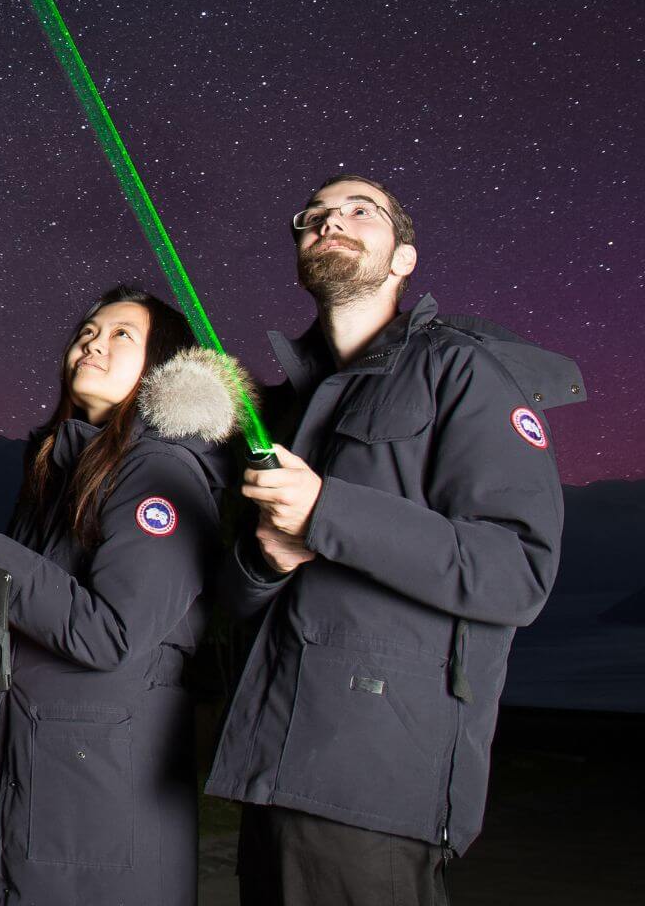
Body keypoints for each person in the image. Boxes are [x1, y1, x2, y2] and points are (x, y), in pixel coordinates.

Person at [205, 175, 581, 906]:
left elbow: (516, 572)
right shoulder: (281, 408)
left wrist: (326, 510)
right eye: (313, 216)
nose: (328, 220)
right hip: (271, 769)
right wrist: (264, 560)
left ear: (403, 259)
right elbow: (236, 596)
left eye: (358, 210)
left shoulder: (464, 370)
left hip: (375, 780)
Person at [0, 284, 253, 906]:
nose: (92, 344)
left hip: (97, 795)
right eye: (86, 334)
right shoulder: (71, 471)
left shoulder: (159, 472)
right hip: (51, 771)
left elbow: (112, 634)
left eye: (121, 335)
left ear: (162, 367)